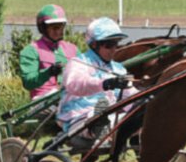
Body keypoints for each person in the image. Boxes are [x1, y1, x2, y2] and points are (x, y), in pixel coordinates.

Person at [57, 17, 135, 148]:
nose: (114, 49)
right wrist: (105, 83)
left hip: (110, 116)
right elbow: (74, 85)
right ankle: (99, 126)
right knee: (97, 115)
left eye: (116, 44)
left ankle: (103, 125)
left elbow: (130, 96)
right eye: (109, 44)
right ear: (94, 44)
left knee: (139, 114)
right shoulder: (77, 63)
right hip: (77, 118)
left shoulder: (118, 69)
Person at [19, 4, 78, 108]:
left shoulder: (72, 49)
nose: (57, 31)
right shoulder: (30, 51)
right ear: (43, 28)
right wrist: (48, 73)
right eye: (53, 27)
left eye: (59, 27)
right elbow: (28, 83)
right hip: (42, 100)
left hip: (69, 97)